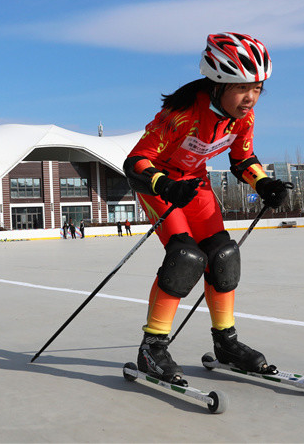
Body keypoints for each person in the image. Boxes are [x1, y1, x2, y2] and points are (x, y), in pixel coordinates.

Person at [123, 32, 288, 386]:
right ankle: (152, 347)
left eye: (257, 88)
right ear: (218, 83)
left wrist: (265, 183)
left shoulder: (244, 116)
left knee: (223, 254)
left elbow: (243, 158)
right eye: (243, 87)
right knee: (185, 257)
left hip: (195, 184)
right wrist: (164, 185)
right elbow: (136, 161)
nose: (251, 98)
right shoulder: (182, 113)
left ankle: (226, 343)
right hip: (163, 185)